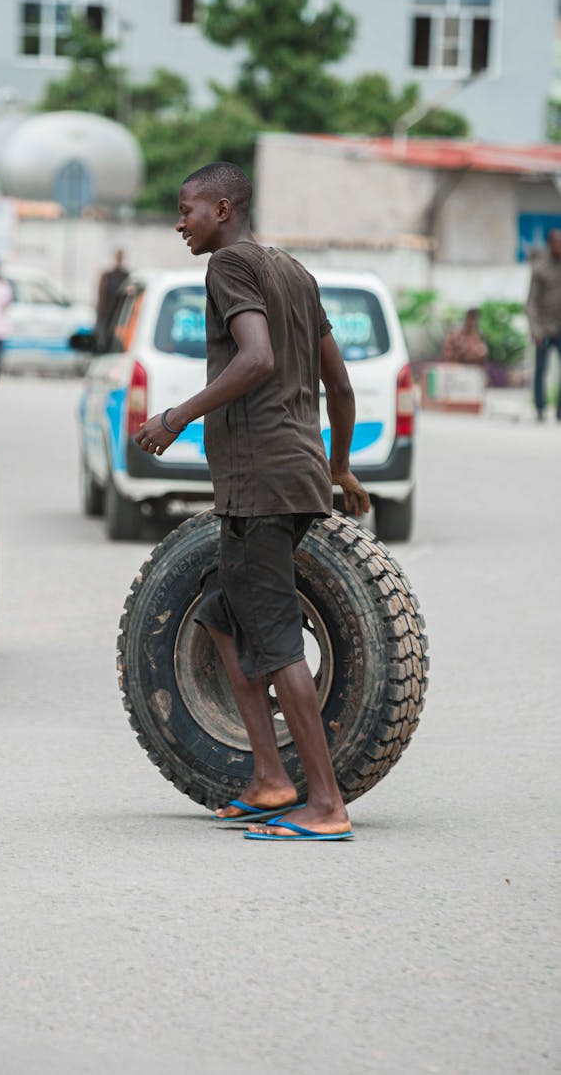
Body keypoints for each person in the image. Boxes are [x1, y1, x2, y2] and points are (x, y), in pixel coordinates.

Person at [135, 162, 370, 842]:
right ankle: (271, 777)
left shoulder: (228, 268)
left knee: (271, 634)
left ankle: (324, 803)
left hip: (262, 480)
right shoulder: (294, 272)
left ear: (224, 207)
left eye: (188, 209)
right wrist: (341, 469)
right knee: (219, 611)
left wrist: (175, 415)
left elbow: (257, 357)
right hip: (295, 477)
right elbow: (342, 387)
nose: (181, 222)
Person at [526, 228, 561, 421]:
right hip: (544, 329)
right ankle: (540, 408)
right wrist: (535, 330)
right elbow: (531, 303)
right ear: (550, 244)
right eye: (556, 242)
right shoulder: (540, 268)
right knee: (541, 370)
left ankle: (560, 411)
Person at [95, 249, 129, 351]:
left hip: (120, 311)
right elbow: (102, 294)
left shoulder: (125, 275)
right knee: (105, 336)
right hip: (107, 311)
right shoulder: (108, 275)